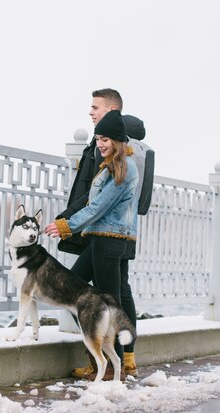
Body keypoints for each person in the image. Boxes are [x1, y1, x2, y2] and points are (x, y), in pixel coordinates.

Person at [57, 89, 154, 379]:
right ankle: (122, 360)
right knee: (116, 293)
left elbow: (97, 199)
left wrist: (67, 222)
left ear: (112, 110)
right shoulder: (116, 144)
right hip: (115, 233)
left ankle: (115, 363)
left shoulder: (123, 153)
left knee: (107, 297)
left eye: (95, 106)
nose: (90, 111)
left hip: (109, 234)